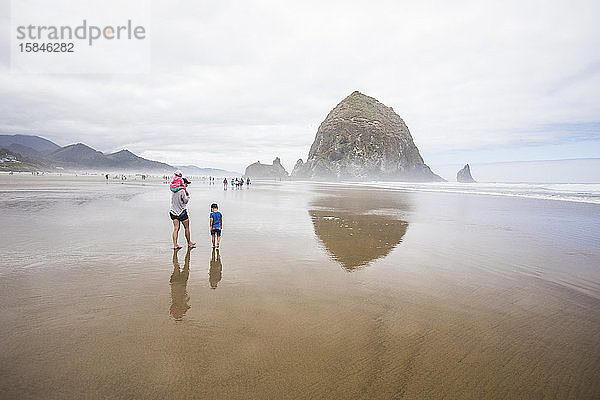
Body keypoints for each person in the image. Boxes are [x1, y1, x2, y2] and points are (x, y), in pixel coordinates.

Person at [170, 177, 195, 249]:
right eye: (186, 184)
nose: (187, 185)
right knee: (186, 228)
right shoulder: (182, 191)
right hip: (181, 212)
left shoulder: (173, 190)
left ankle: (175, 245)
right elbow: (185, 201)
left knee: (176, 229)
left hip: (173, 212)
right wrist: (188, 195)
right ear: (183, 183)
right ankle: (189, 242)